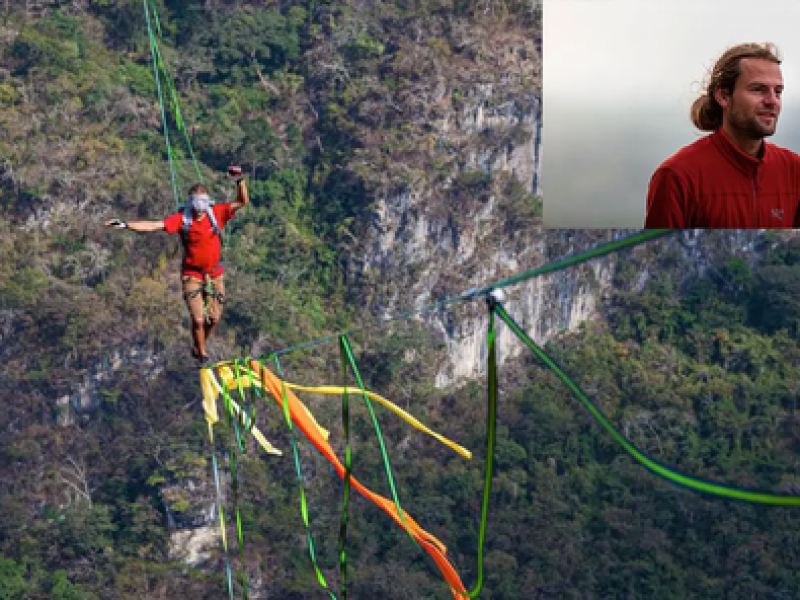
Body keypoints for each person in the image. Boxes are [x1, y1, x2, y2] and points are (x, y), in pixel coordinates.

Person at [645, 42, 800, 229]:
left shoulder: (793, 170)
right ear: (723, 96)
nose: (772, 101)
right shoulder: (677, 176)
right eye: (757, 89)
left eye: (778, 92)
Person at [105, 166, 249, 367]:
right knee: (198, 320)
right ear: (190, 204)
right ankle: (202, 354)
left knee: (213, 319)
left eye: (203, 204)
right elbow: (155, 225)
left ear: (207, 203)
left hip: (215, 274)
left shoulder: (216, 214)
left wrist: (239, 180)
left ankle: (200, 344)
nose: (199, 209)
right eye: (196, 204)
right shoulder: (183, 219)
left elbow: (242, 201)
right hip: (192, 275)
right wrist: (125, 224)